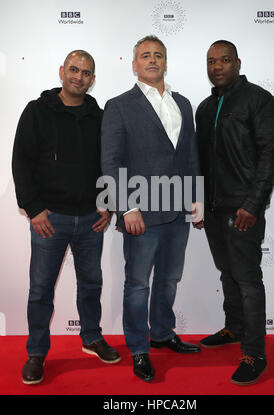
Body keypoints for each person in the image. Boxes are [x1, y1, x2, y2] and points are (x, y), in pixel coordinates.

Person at [12, 50, 121, 385]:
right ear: (62, 71)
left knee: (91, 283)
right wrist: (33, 209)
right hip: (50, 219)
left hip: (91, 219)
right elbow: (21, 162)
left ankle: (91, 337)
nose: (79, 76)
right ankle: (36, 353)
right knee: (40, 291)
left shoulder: (100, 116)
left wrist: (108, 203)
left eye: (87, 72)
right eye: (74, 69)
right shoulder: (37, 111)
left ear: (93, 78)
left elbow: (111, 162)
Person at [101, 35, 202, 382]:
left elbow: (189, 155)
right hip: (140, 213)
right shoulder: (119, 105)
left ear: (166, 62)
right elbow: (111, 161)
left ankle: (162, 332)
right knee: (138, 283)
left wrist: (197, 198)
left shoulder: (183, 103)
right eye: (145, 55)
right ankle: (140, 349)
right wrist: (126, 208)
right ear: (134, 64)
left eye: (158, 55)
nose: (152, 60)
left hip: (177, 212)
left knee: (170, 278)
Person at [195, 40, 274, 385]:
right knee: (226, 272)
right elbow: (200, 162)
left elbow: (271, 154)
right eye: (211, 61)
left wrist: (253, 204)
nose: (217, 67)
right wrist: (199, 202)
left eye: (224, 60)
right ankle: (233, 329)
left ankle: (255, 353)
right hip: (214, 209)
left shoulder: (259, 101)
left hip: (243, 209)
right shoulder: (204, 108)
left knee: (247, 280)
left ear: (238, 62)